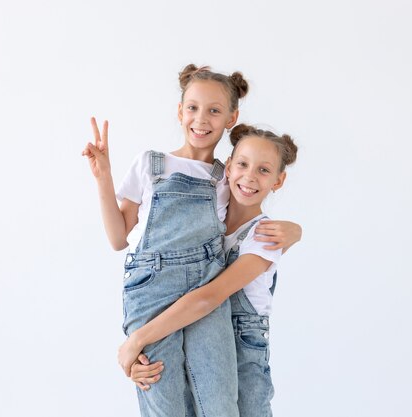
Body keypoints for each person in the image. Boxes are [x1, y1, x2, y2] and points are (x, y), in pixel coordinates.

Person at [82, 64, 301, 417]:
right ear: (180, 111)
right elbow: (118, 238)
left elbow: (248, 218)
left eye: (214, 110)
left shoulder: (225, 179)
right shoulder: (151, 164)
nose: (201, 119)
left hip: (205, 290)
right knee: (165, 405)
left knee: (217, 405)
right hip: (152, 291)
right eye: (193, 108)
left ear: (231, 118)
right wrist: (103, 177)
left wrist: (294, 231)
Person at [118, 123, 298, 417]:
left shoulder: (265, 236)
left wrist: (137, 340)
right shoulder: (207, 218)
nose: (250, 176)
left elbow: (209, 297)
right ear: (227, 168)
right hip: (192, 336)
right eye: (242, 164)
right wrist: (143, 347)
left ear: (278, 181)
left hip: (242, 357)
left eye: (264, 171)